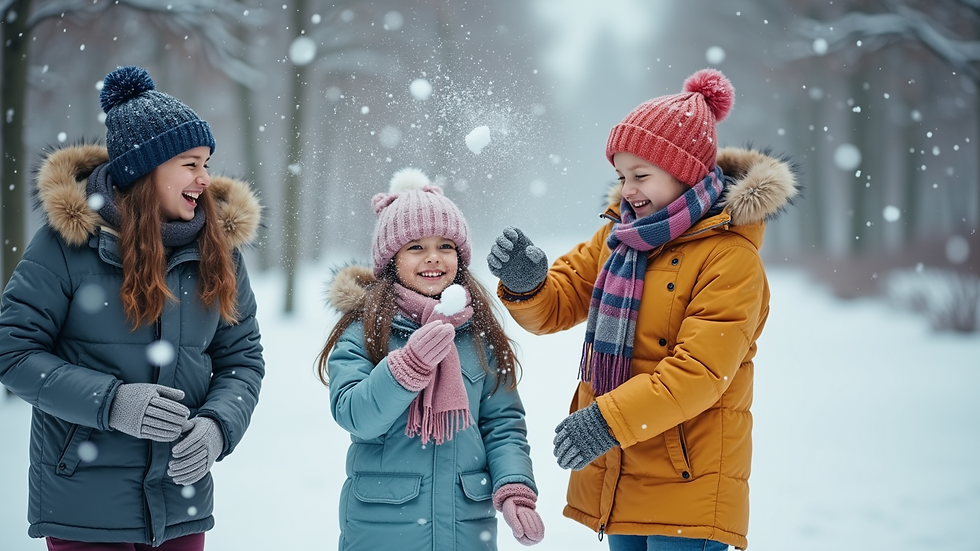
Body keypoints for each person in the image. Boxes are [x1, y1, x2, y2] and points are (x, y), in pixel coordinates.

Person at [486, 68, 799, 551]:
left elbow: (699, 372)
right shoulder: (621, 239)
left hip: (689, 480)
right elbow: (562, 300)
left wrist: (605, 421)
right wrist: (528, 286)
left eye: (641, 175)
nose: (627, 190)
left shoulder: (730, 257)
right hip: (622, 471)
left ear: (684, 172)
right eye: (621, 176)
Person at [0, 65, 265, 551]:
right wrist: (111, 403)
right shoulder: (65, 245)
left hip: (180, 506)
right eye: (190, 163)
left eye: (206, 162)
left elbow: (242, 360)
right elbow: (12, 352)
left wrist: (218, 427)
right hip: (84, 505)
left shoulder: (219, 251)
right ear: (145, 169)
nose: (204, 178)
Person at [316, 168, 544, 551]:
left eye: (446, 246)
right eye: (416, 247)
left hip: (465, 526)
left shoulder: (478, 332)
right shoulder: (366, 330)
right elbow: (354, 414)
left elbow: (502, 424)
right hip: (384, 528)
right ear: (391, 259)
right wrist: (408, 368)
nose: (433, 258)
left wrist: (515, 488)